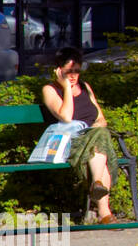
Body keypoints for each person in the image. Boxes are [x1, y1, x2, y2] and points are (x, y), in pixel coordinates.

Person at [40, 47, 118, 224]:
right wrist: (66, 87)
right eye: (69, 71)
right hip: (68, 143)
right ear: (58, 70)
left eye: (76, 71)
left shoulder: (85, 87)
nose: (74, 75)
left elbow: (100, 118)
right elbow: (66, 117)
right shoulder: (50, 90)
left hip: (93, 140)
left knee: (99, 136)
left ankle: (99, 192)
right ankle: (103, 207)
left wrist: (95, 128)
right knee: (99, 143)